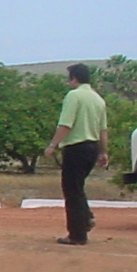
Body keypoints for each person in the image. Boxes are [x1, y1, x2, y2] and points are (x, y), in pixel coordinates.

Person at [44, 63, 109, 245]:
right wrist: (103, 152)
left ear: (74, 78)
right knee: (78, 187)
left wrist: (53, 145)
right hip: (92, 147)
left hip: (76, 148)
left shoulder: (74, 96)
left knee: (72, 190)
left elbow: (66, 124)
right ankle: (85, 218)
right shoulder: (98, 99)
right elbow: (103, 129)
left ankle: (77, 234)